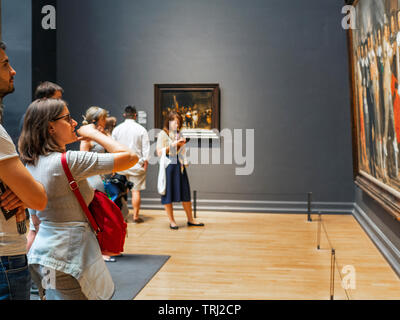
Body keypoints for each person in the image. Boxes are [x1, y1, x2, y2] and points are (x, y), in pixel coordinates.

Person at [18, 98, 138, 300]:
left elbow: (35, 223)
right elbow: (130, 157)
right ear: (50, 128)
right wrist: (94, 133)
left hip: (43, 257)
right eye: (67, 118)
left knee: (56, 296)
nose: (74, 123)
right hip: (68, 258)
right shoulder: (69, 161)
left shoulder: (31, 164)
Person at [0, 41, 48, 300]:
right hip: (4, 257)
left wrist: (21, 190)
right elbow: (38, 198)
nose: (13, 70)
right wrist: (25, 191)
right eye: (5, 64)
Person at [27, 82, 64, 253]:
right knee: (36, 228)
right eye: (56, 99)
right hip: (36, 176)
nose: (60, 103)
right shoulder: (35, 120)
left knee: (36, 229)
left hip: (36, 174)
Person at [156, 111, 204, 230]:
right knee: (168, 194)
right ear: (169, 121)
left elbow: (180, 152)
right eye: (175, 122)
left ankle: (190, 219)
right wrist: (174, 144)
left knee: (185, 193)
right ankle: (172, 221)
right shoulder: (163, 134)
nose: (177, 125)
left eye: (179, 123)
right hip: (168, 166)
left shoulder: (179, 133)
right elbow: (159, 152)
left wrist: (180, 144)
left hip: (179, 165)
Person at [112, 106, 150, 223]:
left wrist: (113, 166)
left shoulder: (117, 129)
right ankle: (135, 216)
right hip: (136, 164)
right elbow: (146, 148)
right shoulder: (141, 129)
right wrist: (145, 162)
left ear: (124, 115)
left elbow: (112, 148)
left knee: (122, 191)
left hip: (120, 164)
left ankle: (123, 217)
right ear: (135, 115)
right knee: (136, 191)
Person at [80, 106, 108, 192]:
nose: (105, 121)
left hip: (101, 175)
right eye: (103, 119)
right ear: (94, 120)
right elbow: (83, 162)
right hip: (92, 178)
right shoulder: (87, 138)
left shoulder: (101, 134)